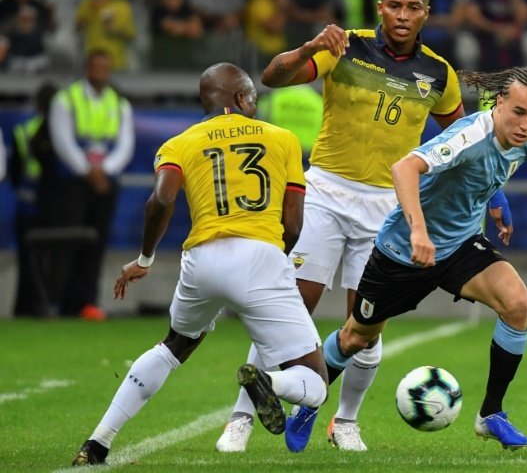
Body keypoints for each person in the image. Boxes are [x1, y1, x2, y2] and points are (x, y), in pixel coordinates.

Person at [215, 0, 512, 455]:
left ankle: (345, 421)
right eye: (394, 5)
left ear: (426, 13)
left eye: (413, 7)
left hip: (386, 208)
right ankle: (242, 417)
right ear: (380, 8)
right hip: (327, 193)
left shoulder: (438, 72)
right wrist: (311, 47)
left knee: (367, 323)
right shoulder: (343, 45)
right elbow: (272, 77)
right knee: (291, 308)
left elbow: (464, 141)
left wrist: (495, 198)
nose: (403, 15)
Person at [319, 66, 527, 450]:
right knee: (355, 337)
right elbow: (404, 167)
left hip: (459, 247)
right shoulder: (469, 135)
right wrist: (418, 230)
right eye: (519, 113)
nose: (526, 125)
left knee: (517, 304)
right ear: (500, 103)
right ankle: (308, 403)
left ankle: (491, 414)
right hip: (404, 252)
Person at [70, 62, 329, 467]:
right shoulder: (284, 140)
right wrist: (273, 261)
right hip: (260, 254)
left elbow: (160, 200)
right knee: (316, 380)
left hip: (201, 261)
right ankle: (268, 381)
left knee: (173, 347)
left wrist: (145, 258)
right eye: (253, 98)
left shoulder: (181, 143)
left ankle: (98, 441)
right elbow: (292, 222)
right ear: (241, 98)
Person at [47, 50, 134, 320]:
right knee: (67, 240)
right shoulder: (66, 99)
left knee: (96, 242)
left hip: (105, 183)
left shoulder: (119, 104)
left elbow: (125, 144)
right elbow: (62, 141)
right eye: (95, 66)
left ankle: (87, 302)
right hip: (73, 182)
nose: (99, 72)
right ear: (86, 68)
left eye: (104, 67)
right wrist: (88, 171)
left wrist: (104, 171)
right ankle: (56, 302)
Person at [8, 82, 58, 317]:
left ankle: (25, 309)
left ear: (37, 105)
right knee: (54, 259)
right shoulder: (62, 131)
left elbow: (14, 171)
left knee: (28, 262)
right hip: (55, 206)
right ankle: (49, 307)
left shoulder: (24, 129)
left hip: (28, 202)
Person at [75, 0, 135, 71]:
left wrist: (113, 29)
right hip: (92, 65)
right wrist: (90, 13)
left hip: (116, 65)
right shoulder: (86, 4)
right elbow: (78, 29)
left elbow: (130, 35)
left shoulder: (122, 6)